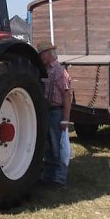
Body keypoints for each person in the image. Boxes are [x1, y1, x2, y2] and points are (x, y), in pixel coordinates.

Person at [36, 41, 72, 187]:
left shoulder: (59, 71)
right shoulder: (43, 70)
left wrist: (65, 119)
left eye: (42, 54)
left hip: (56, 113)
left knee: (58, 147)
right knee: (47, 147)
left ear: (50, 54)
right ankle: (48, 176)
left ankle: (60, 178)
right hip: (46, 112)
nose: (41, 57)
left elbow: (67, 95)